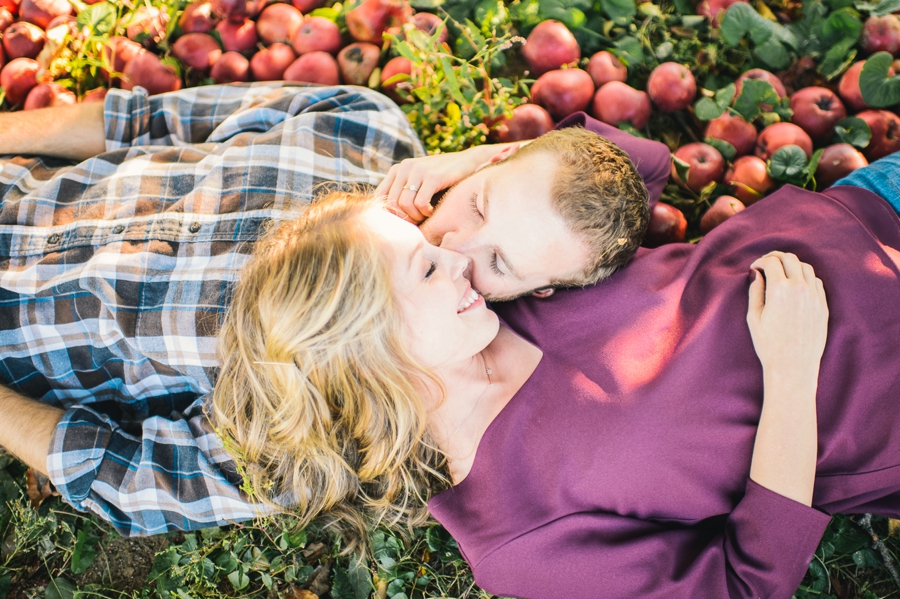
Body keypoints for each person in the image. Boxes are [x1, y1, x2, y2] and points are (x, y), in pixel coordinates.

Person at [0, 81, 663, 535]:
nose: (456, 244)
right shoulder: (360, 123)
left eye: (500, 263)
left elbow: (122, 474)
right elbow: (142, 123)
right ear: (496, 158)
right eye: (482, 202)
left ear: (536, 292)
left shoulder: (325, 416)